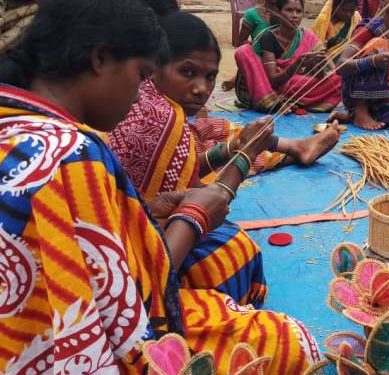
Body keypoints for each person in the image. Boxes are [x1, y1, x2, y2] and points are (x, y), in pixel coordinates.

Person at [0, 1, 319, 373]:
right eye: (141, 75)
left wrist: (149, 208)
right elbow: (129, 300)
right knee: (294, 342)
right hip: (61, 349)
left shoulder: (17, 121)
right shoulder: (72, 155)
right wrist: (197, 213)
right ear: (101, 58)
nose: (139, 95)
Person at [109, 10, 341, 307]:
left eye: (210, 77)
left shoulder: (151, 101)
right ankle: (293, 148)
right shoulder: (163, 119)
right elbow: (197, 200)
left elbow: (188, 167)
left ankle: (294, 147)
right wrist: (246, 154)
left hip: (140, 232)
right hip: (141, 272)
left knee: (223, 132)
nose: (203, 89)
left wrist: (238, 146)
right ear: (154, 67)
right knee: (236, 250)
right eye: (187, 72)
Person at [331, 0, 389, 130]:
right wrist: (372, 61)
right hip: (355, 95)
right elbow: (341, 66)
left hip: (387, 96)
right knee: (379, 45)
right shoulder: (369, 28)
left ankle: (355, 115)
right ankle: (360, 111)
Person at [233, 0, 342, 113]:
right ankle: (271, 102)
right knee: (243, 51)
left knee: (339, 78)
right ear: (279, 12)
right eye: (289, 10)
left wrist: (316, 67)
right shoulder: (268, 37)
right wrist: (296, 65)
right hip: (267, 86)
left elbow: (328, 69)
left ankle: (289, 101)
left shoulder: (307, 36)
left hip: (293, 84)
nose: (294, 15)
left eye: (298, 11)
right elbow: (273, 80)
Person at [222, 0, 277, 91]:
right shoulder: (252, 14)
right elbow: (241, 42)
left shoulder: (287, 14)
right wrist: (255, 47)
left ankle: (237, 78)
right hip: (260, 60)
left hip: (281, 59)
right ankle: (243, 76)